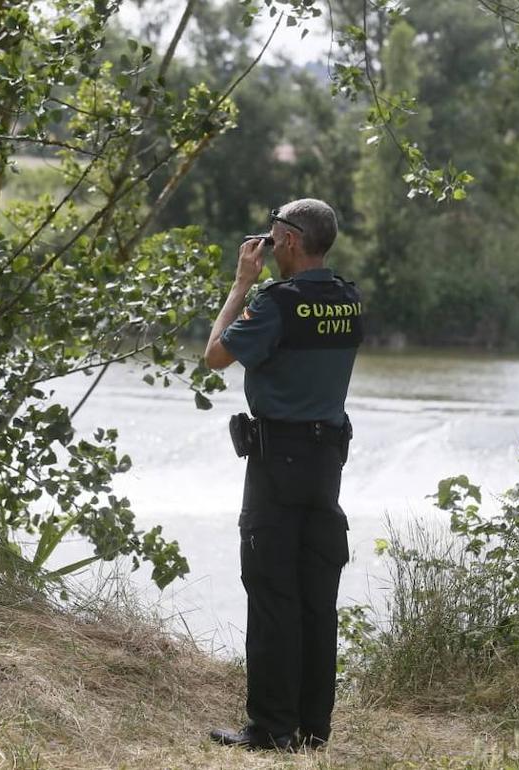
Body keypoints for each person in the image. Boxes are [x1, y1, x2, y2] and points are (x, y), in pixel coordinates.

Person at [203, 198, 362, 751]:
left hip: (277, 463)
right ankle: (314, 728)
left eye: (272, 238)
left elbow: (216, 356)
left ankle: (271, 728)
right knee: (317, 595)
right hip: (327, 465)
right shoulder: (349, 300)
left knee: (272, 590)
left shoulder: (276, 303)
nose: (267, 247)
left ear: (291, 242)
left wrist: (241, 284)